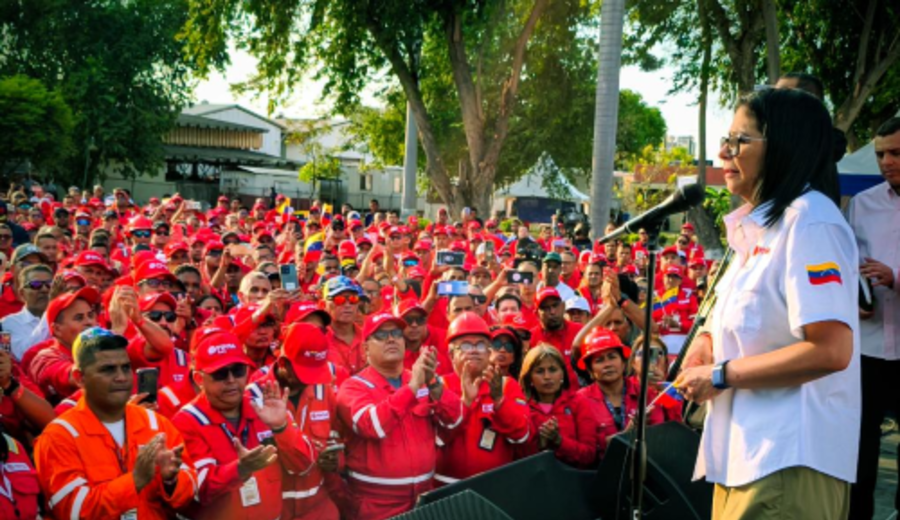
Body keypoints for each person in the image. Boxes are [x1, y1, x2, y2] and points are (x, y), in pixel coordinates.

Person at [675, 88, 859, 519]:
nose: (724, 151)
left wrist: (719, 374)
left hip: (786, 458)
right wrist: (707, 342)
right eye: (726, 138)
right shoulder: (759, 227)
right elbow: (748, 318)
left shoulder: (809, 222)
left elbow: (831, 350)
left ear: (783, 147)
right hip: (745, 456)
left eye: (740, 140)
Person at [34, 327, 197, 520]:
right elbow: (73, 511)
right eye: (108, 369)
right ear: (80, 378)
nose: (121, 377)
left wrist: (171, 481)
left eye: (126, 368)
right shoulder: (59, 436)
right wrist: (135, 480)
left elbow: (190, 490)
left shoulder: (155, 423)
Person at [174, 330, 316, 520]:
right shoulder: (186, 422)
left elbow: (304, 466)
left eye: (238, 370)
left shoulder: (265, 408)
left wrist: (281, 427)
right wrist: (240, 469)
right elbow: (197, 490)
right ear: (199, 379)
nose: (231, 380)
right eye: (220, 374)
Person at [336, 312, 463, 520]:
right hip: (377, 505)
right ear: (365, 348)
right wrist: (413, 387)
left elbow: (454, 422)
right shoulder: (353, 387)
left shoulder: (422, 379)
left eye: (396, 333)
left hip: (423, 500)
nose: (391, 339)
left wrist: (433, 384)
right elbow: (372, 425)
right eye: (381, 335)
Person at [845, 116, 900, 519]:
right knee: (860, 449)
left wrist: (895, 277)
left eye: (895, 153)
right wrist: (855, 295)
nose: (885, 162)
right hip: (868, 346)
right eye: (881, 154)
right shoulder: (861, 204)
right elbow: (846, 265)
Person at [249, 322, 343, 520]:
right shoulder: (254, 397)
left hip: (318, 510)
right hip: (275, 512)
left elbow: (337, 434)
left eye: (316, 371)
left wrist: (335, 459)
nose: (311, 380)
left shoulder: (323, 390)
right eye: (305, 373)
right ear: (283, 364)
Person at [436, 312, 530, 485]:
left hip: (494, 487)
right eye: (465, 345)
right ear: (451, 355)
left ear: (489, 352)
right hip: (447, 488)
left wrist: (499, 401)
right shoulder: (440, 387)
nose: (473, 351)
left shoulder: (506, 386)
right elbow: (436, 439)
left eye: (480, 345)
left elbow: (522, 436)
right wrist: (465, 403)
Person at [577, 327, 663, 459]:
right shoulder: (580, 400)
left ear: (623, 363)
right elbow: (587, 450)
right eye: (599, 360)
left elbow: (660, 435)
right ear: (590, 370)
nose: (607, 364)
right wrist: (629, 432)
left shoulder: (645, 393)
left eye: (612, 357)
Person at [519, 344, 598, 468]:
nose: (547, 377)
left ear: (562, 374)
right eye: (539, 371)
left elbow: (589, 454)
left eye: (552, 370)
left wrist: (559, 441)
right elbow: (514, 458)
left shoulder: (578, 402)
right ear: (529, 378)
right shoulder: (521, 407)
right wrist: (540, 444)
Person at [0, 264, 52, 360]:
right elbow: (23, 355)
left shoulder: (64, 320)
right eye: (36, 284)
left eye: (49, 284)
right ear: (22, 293)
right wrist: (50, 313)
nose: (44, 289)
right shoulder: (5, 324)